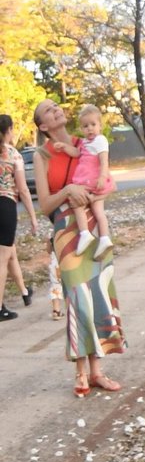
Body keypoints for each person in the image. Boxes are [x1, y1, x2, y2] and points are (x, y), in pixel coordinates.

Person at [32, 99, 125, 396]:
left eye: (57, 106)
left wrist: (95, 190)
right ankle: (80, 371)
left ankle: (98, 370)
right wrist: (67, 191)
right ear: (43, 126)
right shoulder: (42, 155)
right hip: (65, 229)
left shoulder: (86, 139)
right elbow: (45, 203)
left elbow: (107, 177)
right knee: (77, 295)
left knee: (99, 292)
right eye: (48, 110)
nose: (56, 109)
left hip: (93, 224)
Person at [0, 114, 39, 319]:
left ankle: (24, 292)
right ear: (8, 131)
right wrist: (33, 217)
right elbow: (23, 190)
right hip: (5, 205)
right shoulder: (13, 154)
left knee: (10, 251)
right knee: (3, 257)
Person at [70, 105, 116, 243]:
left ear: (100, 126)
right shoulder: (84, 142)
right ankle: (103, 238)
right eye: (85, 126)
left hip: (93, 180)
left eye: (93, 124)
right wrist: (65, 147)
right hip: (88, 180)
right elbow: (77, 153)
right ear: (81, 129)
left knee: (78, 205)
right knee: (96, 210)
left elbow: (104, 161)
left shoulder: (100, 140)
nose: (89, 128)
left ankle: (86, 234)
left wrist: (102, 176)